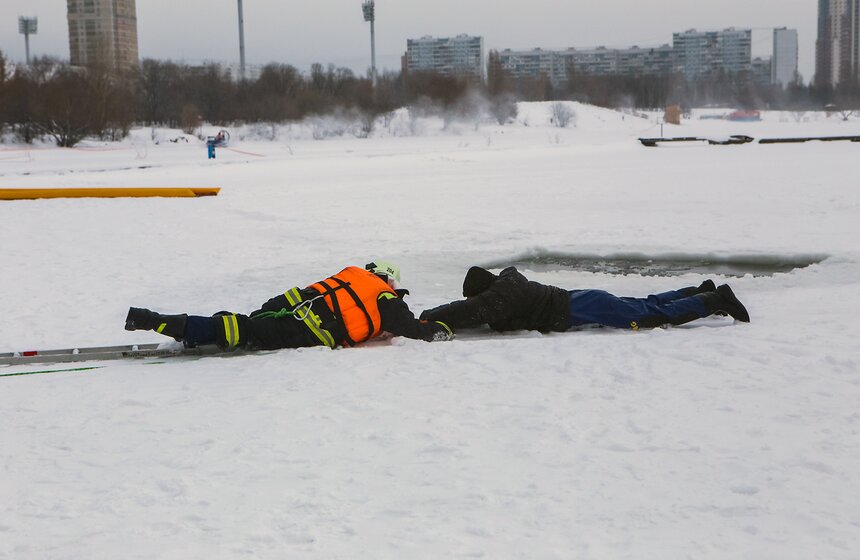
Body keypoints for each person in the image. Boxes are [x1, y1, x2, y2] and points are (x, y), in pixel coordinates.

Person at [125, 262, 454, 351]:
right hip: (310, 331)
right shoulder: (384, 297)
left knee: (244, 325)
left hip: (291, 307)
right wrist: (440, 331)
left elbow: (301, 294)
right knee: (243, 331)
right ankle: (163, 322)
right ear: (387, 280)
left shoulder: (351, 277)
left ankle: (191, 330)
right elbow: (412, 329)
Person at [419, 266, 750, 333]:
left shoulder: (503, 295)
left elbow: (468, 311)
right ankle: (697, 290)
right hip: (581, 299)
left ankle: (713, 300)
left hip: (582, 306)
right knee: (646, 303)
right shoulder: (508, 283)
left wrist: (428, 316)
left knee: (647, 317)